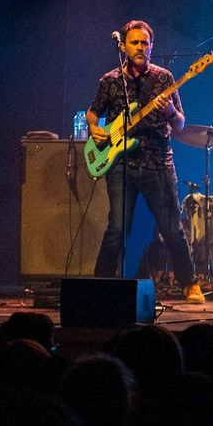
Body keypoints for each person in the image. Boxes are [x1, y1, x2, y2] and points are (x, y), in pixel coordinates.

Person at [88, 19, 204, 303]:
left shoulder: (164, 78)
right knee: (116, 229)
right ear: (124, 47)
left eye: (145, 43)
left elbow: (180, 124)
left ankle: (189, 283)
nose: (140, 47)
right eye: (135, 43)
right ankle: (99, 285)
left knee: (171, 229)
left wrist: (169, 114)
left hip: (158, 163)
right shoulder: (110, 81)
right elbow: (93, 112)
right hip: (120, 164)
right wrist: (95, 130)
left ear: (152, 46)